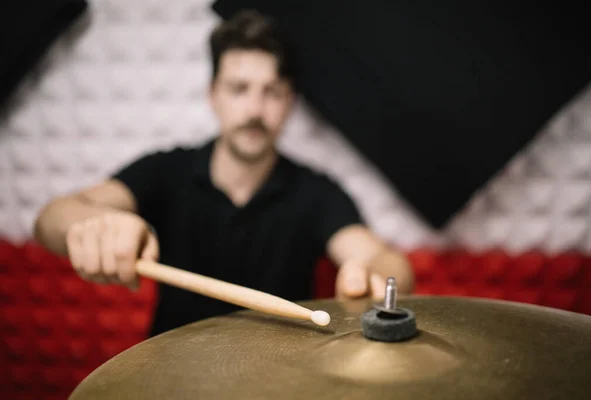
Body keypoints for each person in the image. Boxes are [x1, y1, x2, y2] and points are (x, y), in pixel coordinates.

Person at [33, 10, 414, 336]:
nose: (254, 108)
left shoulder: (315, 191)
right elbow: (51, 219)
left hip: (281, 379)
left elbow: (382, 259)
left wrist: (377, 280)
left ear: (289, 102)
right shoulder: (166, 171)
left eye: (272, 91)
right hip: (169, 376)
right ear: (213, 95)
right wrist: (94, 224)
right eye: (239, 89)